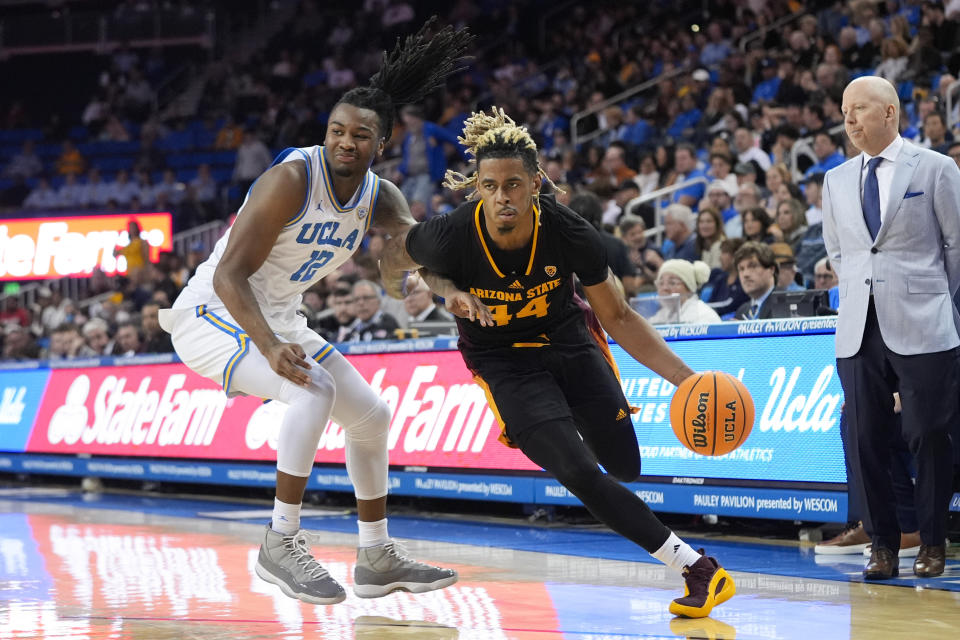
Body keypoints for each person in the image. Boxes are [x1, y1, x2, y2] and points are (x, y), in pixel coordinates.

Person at [158, 18, 472, 604]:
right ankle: (280, 541)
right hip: (212, 313)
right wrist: (273, 348)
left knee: (372, 416)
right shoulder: (292, 179)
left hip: (276, 317)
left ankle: (376, 555)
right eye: (336, 130)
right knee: (313, 387)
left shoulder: (380, 195)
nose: (345, 142)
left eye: (359, 135)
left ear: (381, 145)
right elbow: (229, 274)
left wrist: (441, 287)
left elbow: (402, 256)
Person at [379, 107, 735, 619]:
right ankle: (698, 568)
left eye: (514, 184)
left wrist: (687, 380)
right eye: (490, 185)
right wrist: (442, 286)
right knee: (578, 472)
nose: (503, 196)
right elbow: (393, 259)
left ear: (535, 184)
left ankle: (574, 417)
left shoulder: (570, 232)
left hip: (569, 340)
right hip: (504, 361)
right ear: (477, 187)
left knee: (625, 467)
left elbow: (619, 315)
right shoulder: (448, 235)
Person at [822, 75, 960, 579]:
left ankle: (932, 542)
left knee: (929, 435)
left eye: (858, 109)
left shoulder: (937, 167)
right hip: (859, 324)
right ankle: (882, 544)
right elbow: (839, 251)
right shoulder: (835, 179)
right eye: (844, 111)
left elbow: (956, 247)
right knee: (864, 439)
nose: (849, 119)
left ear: (889, 113)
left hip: (924, 321)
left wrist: (929, 294)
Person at [649, 260, 722, 325]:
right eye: (661, 283)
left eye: (672, 283)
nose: (664, 288)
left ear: (689, 288)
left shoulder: (701, 315)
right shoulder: (664, 313)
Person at [732, 241, 778, 321]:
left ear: (771, 269)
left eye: (752, 266)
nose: (745, 274)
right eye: (741, 269)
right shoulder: (742, 311)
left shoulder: (784, 305)